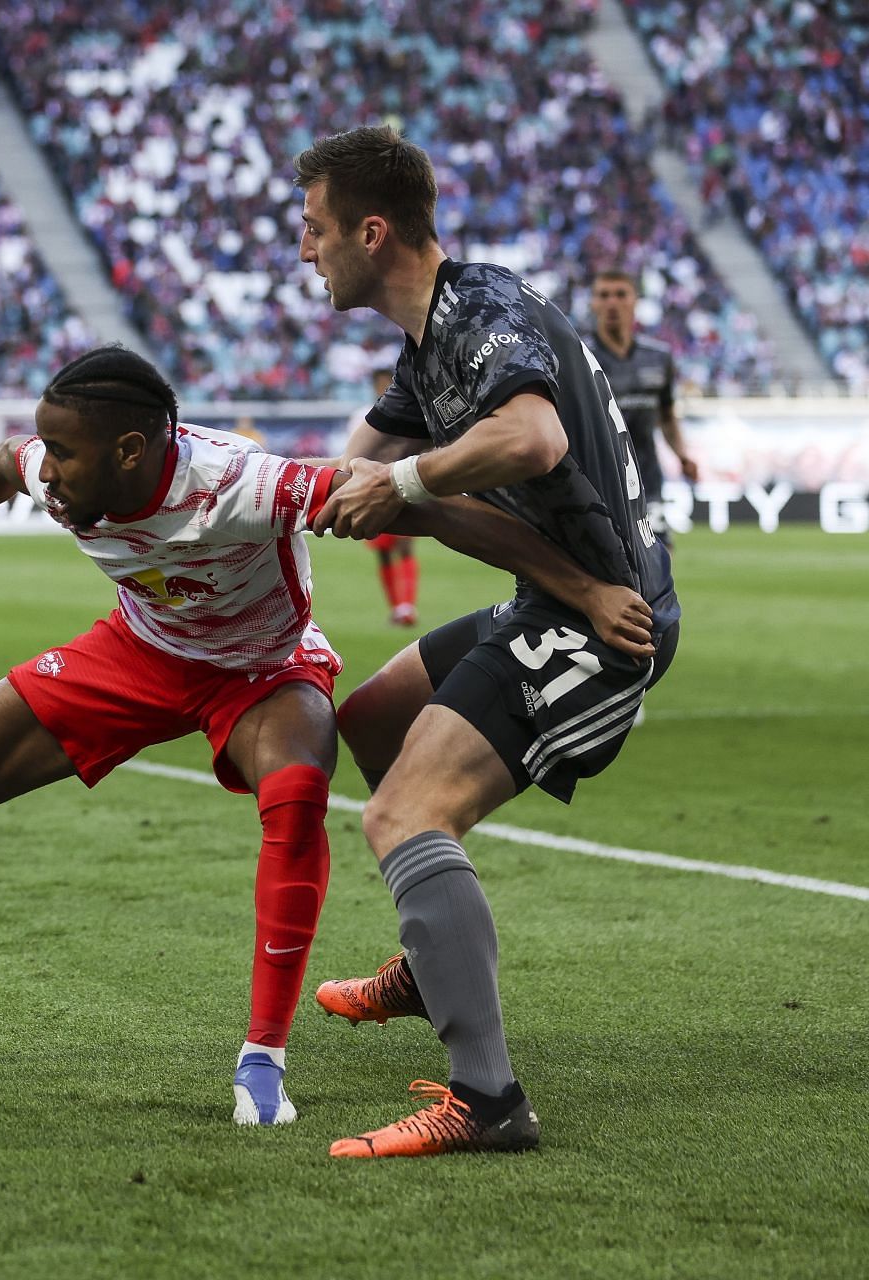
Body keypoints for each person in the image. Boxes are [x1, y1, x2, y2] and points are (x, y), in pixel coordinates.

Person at [0, 346, 652, 1129]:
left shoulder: (242, 486)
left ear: (132, 451)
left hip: (265, 670)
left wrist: (579, 589)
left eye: (65, 455)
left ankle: (263, 1056)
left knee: (297, 791)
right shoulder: (51, 468)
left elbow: (426, 511)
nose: (50, 473)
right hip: (138, 651)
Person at [296, 126, 679, 1158]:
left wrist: (406, 485)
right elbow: (349, 470)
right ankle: (434, 957)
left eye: (315, 228)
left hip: (611, 624)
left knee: (402, 810)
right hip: (551, 600)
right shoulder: (427, 348)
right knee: (370, 716)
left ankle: (489, 1099)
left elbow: (534, 441)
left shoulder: (484, 313)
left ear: (372, 233)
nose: (304, 249)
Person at [587, 268, 700, 545]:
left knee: (660, 563)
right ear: (593, 303)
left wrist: (683, 456)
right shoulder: (580, 356)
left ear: (635, 301)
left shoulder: (658, 357)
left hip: (648, 481)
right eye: (604, 295)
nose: (612, 302)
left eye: (620, 294)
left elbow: (666, 415)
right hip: (599, 482)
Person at [347, 368, 421, 626]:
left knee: (404, 545)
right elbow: (353, 456)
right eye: (378, 383)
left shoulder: (408, 412)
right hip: (372, 488)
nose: (382, 387)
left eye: (385, 383)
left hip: (401, 483)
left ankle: (407, 606)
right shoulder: (363, 417)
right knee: (384, 552)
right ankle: (396, 606)